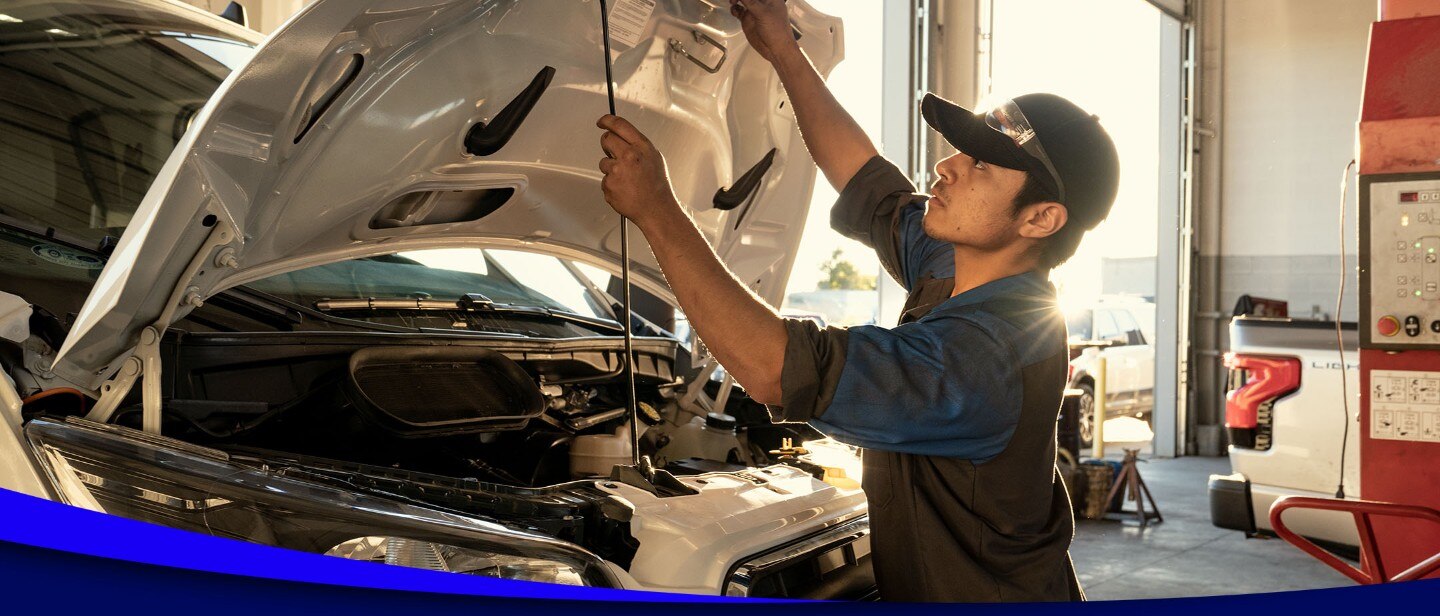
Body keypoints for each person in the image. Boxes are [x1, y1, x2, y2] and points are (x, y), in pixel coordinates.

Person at [594, 0, 1119, 602]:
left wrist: (658, 209)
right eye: (959, 148)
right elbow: (867, 179)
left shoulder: (984, 361)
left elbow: (776, 367)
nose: (946, 166)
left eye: (980, 164)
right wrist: (783, 51)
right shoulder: (962, 268)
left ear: (1041, 218)